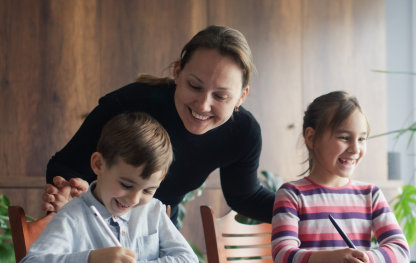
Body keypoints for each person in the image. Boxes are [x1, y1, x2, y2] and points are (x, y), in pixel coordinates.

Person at [42, 25, 274, 227]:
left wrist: (301, 209)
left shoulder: (243, 132)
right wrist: (72, 188)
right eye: (194, 86)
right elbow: (63, 165)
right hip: (93, 225)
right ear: (177, 72)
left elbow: (245, 196)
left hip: (154, 234)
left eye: (221, 96)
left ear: (242, 97)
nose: (203, 106)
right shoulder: (128, 104)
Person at [19, 112, 199, 263]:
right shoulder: (72, 217)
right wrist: (91, 260)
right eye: (127, 185)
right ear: (98, 164)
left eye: (148, 190)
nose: (134, 199)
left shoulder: (152, 210)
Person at [271, 91, 411, 263]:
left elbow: (401, 251)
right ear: (311, 138)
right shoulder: (291, 194)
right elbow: (283, 258)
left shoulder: (370, 194)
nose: (355, 149)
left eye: (361, 139)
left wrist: (361, 259)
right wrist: (330, 259)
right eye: (344, 138)